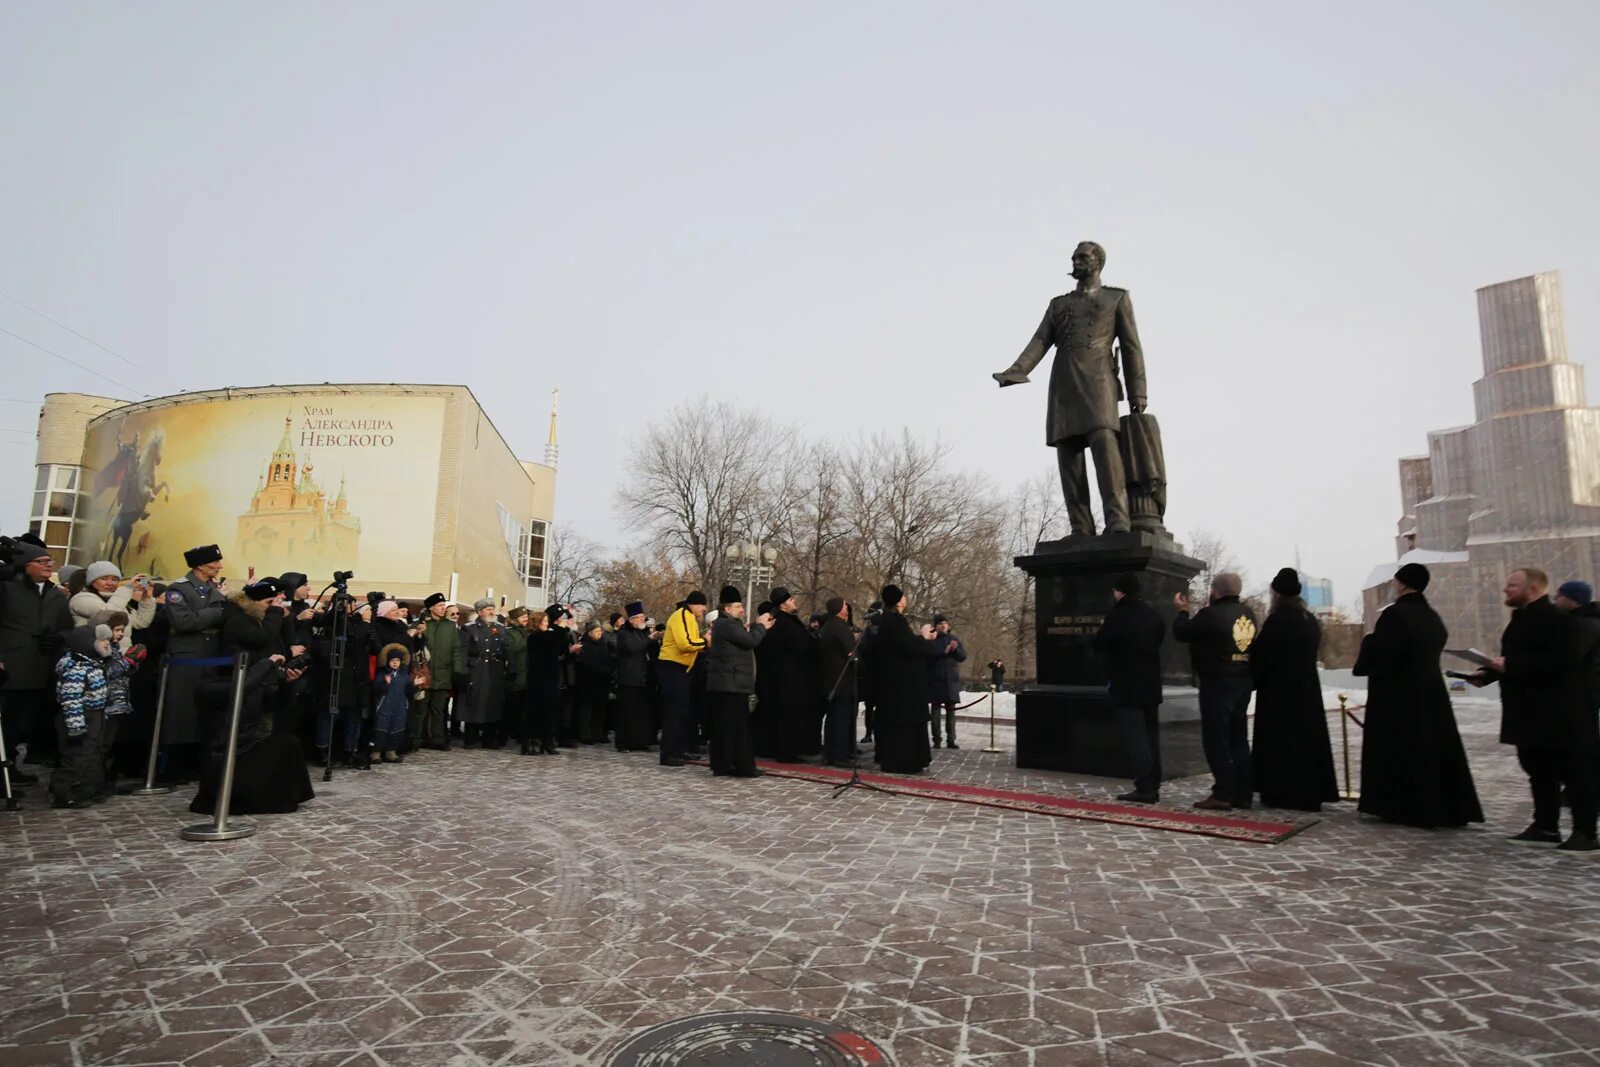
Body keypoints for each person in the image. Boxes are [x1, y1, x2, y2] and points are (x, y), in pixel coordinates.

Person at [1471, 568, 1596, 851]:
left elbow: (1562, 662)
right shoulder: (1522, 620)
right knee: (1539, 770)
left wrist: (1510, 667)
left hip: (1558, 711)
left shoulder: (1556, 620)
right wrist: (1488, 674)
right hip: (1529, 710)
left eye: (1512, 585)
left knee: (1574, 772)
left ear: (1534, 589)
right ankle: (1545, 826)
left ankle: (1585, 833)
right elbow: (1520, 659)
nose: (1506, 590)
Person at [1352, 563, 1483, 828]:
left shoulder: (1394, 615)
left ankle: (1403, 806)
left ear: (1401, 584)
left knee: (1403, 751)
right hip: (1431, 693)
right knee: (1433, 749)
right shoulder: (1432, 616)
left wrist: (1369, 642)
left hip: (1398, 697)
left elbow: (1384, 653)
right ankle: (1446, 806)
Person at [1249, 568, 1339, 812]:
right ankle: (1309, 791)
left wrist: (1250, 677)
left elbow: (1263, 656)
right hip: (1307, 690)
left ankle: (1282, 792)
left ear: (1277, 593)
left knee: (1283, 743)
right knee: (1306, 742)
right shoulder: (1309, 620)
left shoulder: (1278, 620)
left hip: (1280, 692)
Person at [189, 650, 315, 816]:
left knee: (288, 743)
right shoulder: (207, 689)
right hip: (220, 759)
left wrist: (287, 683)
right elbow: (239, 688)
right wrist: (267, 664)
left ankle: (287, 799)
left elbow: (279, 702)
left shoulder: (253, 689)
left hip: (246, 750)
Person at [1173, 572, 1257, 810]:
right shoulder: (1248, 614)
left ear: (1216, 590)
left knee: (1216, 739)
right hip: (1242, 680)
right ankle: (1243, 793)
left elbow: (1182, 633)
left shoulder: (1210, 614)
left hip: (1217, 682)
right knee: (1238, 739)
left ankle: (1223, 793)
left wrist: (1181, 611)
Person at [0, 541, 74, 785]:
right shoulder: (8, 589)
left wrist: (57, 638)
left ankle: (9, 770)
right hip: (11, 665)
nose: (49, 565)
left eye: (50, 561)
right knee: (6, 723)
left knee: (23, 724)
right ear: (26, 565)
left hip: (42, 667)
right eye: (42, 562)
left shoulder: (55, 594)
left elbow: (66, 628)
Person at [1092, 573, 1166, 803]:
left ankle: (1144, 788)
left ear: (1119, 591)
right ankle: (1153, 783)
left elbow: (1100, 644)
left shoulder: (1117, 616)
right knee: (1151, 738)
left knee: (1137, 740)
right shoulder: (1154, 615)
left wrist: (1101, 628)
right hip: (1151, 686)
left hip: (1127, 686)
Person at [161, 544, 229, 777]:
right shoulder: (178, 589)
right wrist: (218, 613)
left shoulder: (212, 588)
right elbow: (184, 622)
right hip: (188, 655)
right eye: (215, 562)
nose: (219, 566)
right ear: (200, 565)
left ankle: (199, 763)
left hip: (211, 653)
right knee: (182, 710)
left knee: (206, 710)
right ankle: (174, 766)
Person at [871, 585, 947, 774]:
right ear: (898, 601)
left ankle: (906, 760)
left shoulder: (892, 622)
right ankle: (902, 761)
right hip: (901, 687)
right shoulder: (893, 622)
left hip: (898, 685)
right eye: (903, 596)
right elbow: (907, 647)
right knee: (903, 725)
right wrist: (923, 637)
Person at [702, 586, 771, 776]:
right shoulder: (728, 625)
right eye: (738, 606)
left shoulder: (725, 625)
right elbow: (750, 641)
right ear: (727, 609)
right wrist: (760, 626)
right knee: (736, 728)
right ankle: (741, 766)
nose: (741, 610)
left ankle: (725, 764)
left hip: (728, 683)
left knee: (728, 727)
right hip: (730, 684)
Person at [753, 586, 820, 763]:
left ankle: (779, 749)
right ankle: (786, 752)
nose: (794, 602)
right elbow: (801, 647)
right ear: (783, 604)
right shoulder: (785, 623)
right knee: (788, 717)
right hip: (788, 679)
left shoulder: (781, 622)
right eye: (790, 600)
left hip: (784, 677)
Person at [51, 623, 114, 808]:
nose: (106, 644)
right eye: (102, 640)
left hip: (95, 716)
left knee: (92, 755)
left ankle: (85, 791)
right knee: (76, 757)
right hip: (79, 718)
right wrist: (76, 727)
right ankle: (62, 793)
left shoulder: (94, 664)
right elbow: (71, 700)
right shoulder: (77, 669)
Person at [658, 591, 709, 767]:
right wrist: (705, 642)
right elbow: (685, 643)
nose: (704, 609)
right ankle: (668, 753)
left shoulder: (688, 617)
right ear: (693, 604)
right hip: (672, 667)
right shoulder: (681, 616)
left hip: (681, 669)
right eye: (702, 605)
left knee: (682, 711)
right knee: (674, 711)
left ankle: (679, 749)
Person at [69, 561, 156, 647]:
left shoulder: (117, 599)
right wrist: (127, 588)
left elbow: (140, 623)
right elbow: (109, 615)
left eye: (114, 579)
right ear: (91, 581)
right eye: (104, 578)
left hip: (120, 656)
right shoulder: (81, 599)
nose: (110, 583)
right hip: (95, 654)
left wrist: (146, 599)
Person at [458, 599, 507, 748]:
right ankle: (470, 738)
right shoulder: (469, 628)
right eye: (488, 609)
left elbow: (505, 648)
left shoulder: (500, 628)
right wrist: (463, 671)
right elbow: (463, 651)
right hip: (476, 669)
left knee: (492, 703)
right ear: (479, 612)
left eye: (493, 609)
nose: (491, 612)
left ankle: (489, 739)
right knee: (474, 702)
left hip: (494, 669)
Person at [419, 593, 464, 751]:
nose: (443, 608)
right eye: (439, 605)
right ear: (431, 608)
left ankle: (438, 739)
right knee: (421, 709)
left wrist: (457, 670)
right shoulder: (422, 623)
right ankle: (419, 738)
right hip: (425, 673)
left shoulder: (450, 626)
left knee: (439, 709)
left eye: (444, 605)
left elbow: (456, 649)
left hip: (443, 673)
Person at [818, 597, 858, 766]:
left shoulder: (827, 626)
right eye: (844, 605)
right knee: (842, 718)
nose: (847, 608)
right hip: (843, 680)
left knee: (832, 718)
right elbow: (851, 654)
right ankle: (841, 754)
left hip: (830, 679)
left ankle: (830, 753)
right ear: (839, 609)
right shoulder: (841, 628)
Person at [613, 602, 656, 751]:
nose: (643, 620)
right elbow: (632, 648)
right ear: (632, 619)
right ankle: (623, 742)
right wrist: (649, 639)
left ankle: (639, 741)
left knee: (641, 712)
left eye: (643, 617)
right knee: (627, 712)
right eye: (640, 618)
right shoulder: (624, 633)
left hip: (642, 677)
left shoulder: (641, 632)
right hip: (629, 677)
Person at [522, 610, 562, 755]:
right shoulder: (534, 637)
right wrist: (559, 628)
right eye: (543, 621)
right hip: (537, 678)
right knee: (535, 711)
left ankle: (547, 739)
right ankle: (532, 740)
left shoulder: (549, 635)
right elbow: (546, 642)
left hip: (550, 677)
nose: (546, 624)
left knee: (549, 711)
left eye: (547, 621)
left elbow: (557, 646)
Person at [926, 613, 967, 750]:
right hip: (936, 681)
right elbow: (928, 657)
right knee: (935, 714)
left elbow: (963, 657)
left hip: (951, 681)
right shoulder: (932, 639)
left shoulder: (954, 638)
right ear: (935, 626)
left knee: (951, 713)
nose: (943, 625)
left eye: (945, 623)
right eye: (940, 623)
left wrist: (954, 650)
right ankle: (936, 739)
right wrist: (944, 651)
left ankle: (951, 739)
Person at [371, 644, 414, 763]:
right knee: (380, 730)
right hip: (384, 707)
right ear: (387, 661)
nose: (395, 663)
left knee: (397, 730)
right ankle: (376, 753)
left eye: (397, 660)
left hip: (399, 707)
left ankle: (391, 751)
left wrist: (415, 685)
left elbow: (409, 691)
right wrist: (385, 684)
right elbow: (376, 690)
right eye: (392, 660)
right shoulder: (382, 675)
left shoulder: (404, 675)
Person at [576, 620, 616, 744]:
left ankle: (597, 733)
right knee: (587, 710)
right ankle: (585, 735)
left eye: (600, 631)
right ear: (589, 633)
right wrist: (604, 670)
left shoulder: (604, 644)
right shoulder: (585, 645)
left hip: (603, 682)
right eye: (597, 631)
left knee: (600, 710)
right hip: (589, 681)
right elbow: (585, 663)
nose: (600, 633)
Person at [857, 601, 883, 744]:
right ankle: (872, 732)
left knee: (870, 706)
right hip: (876, 673)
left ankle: (868, 733)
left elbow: (863, 648)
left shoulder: (870, 630)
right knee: (875, 706)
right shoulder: (880, 629)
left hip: (871, 673)